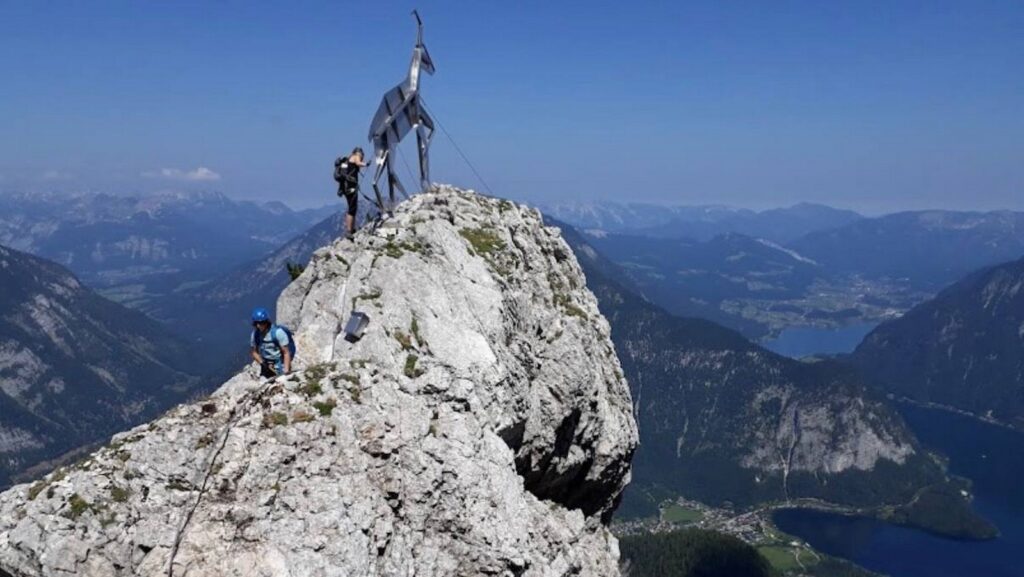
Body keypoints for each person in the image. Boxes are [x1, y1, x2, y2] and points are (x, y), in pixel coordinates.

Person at [334, 147, 368, 240]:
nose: (361, 158)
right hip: (350, 188)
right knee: (352, 209)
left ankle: (351, 230)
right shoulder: (356, 156)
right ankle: (349, 231)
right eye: (362, 157)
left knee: (352, 207)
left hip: (346, 188)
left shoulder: (348, 159)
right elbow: (358, 163)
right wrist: (366, 164)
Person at [249, 307, 293, 378]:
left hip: (280, 365)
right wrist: (262, 363)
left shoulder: (278, 333)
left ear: (266, 322)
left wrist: (286, 371)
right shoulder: (255, 334)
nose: (258, 326)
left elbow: (286, 353)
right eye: (256, 323)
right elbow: (254, 352)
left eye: (260, 323)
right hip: (266, 366)